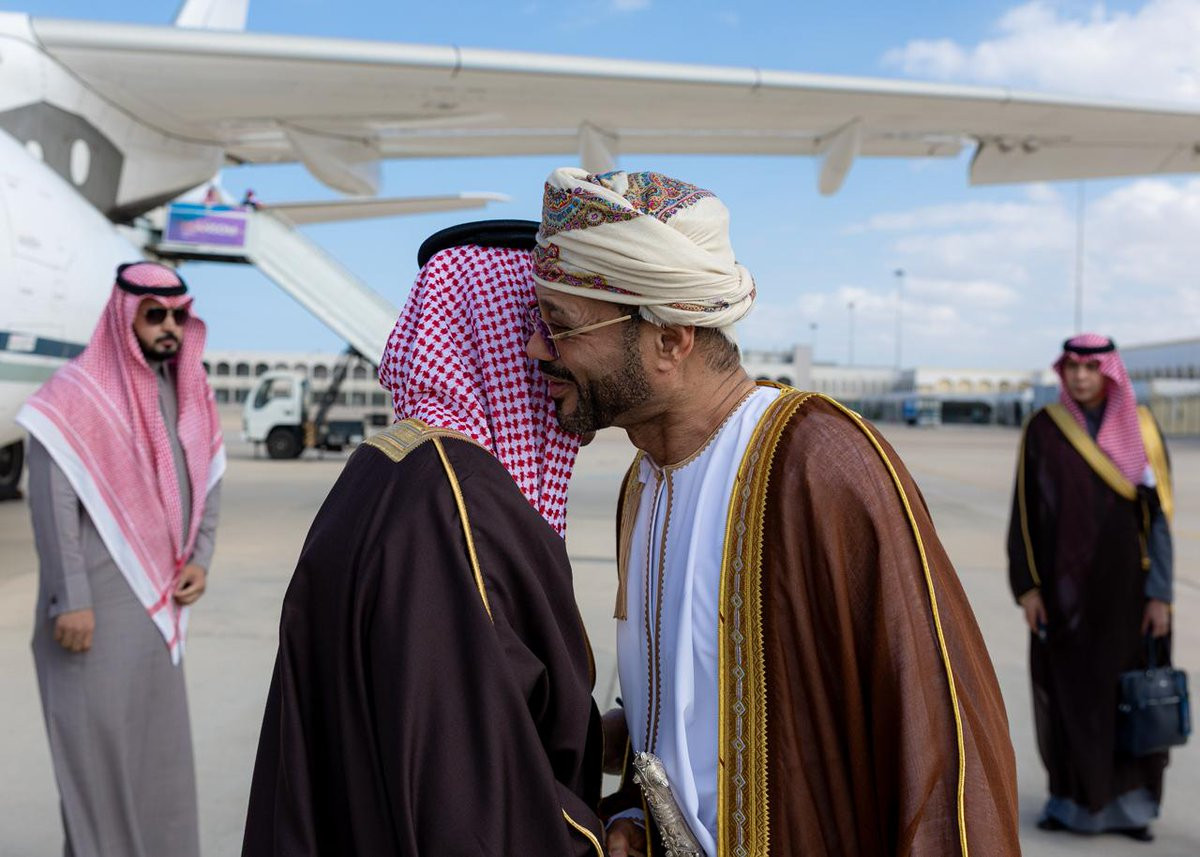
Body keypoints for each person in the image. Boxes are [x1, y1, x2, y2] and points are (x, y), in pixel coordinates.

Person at [525, 168, 1020, 856]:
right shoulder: (642, 483)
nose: (535, 349)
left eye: (560, 326)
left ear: (670, 338)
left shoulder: (818, 464)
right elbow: (688, 718)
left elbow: (938, 745)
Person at [242, 221, 605, 856]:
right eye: (545, 327)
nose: (551, 355)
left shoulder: (382, 469)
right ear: (498, 339)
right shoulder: (465, 511)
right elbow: (479, 804)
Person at [17, 261, 225, 857]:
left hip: (159, 611)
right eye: (155, 315)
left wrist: (201, 557)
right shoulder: (73, 397)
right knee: (96, 765)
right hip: (94, 613)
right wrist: (71, 600)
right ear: (123, 315)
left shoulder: (189, 391)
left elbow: (208, 477)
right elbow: (53, 507)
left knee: (158, 762)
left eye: (178, 316)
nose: (169, 328)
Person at [1007, 333, 1174, 842]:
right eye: (1072, 368)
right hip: (1064, 594)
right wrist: (1029, 589)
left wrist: (1161, 594)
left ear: (1109, 372)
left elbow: (1158, 520)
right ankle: (1070, 803)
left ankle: (1132, 808)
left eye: (1090, 367)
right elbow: (1024, 512)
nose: (1080, 377)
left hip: (1129, 594)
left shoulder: (1142, 428)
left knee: (1130, 698)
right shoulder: (1045, 428)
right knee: (1069, 696)